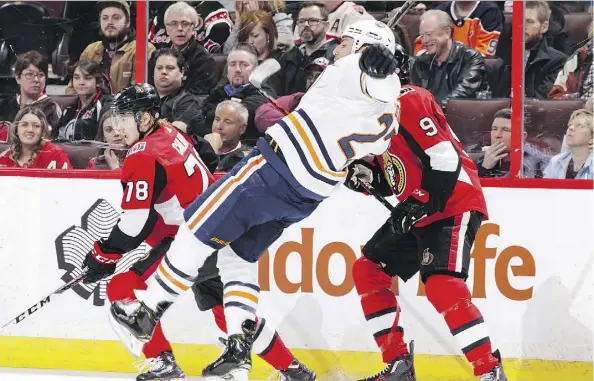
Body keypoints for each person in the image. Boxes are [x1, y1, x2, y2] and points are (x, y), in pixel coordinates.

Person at [108, 19, 402, 380]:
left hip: (276, 169)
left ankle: (149, 309)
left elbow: (378, 81)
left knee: (195, 227)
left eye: (345, 41)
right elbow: (374, 106)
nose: (337, 46)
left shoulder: (358, 67)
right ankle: (237, 347)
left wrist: (377, 64)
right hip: (310, 192)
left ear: (362, 46)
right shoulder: (388, 112)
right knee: (237, 257)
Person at [83, 84, 317, 381]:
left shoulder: (142, 155)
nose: (118, 128)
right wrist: (111, 252)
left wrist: (104, 254)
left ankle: (162, 364)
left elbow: (135, 222)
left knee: (123, 287)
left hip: (192, 241)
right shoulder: (170, 133)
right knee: (229, 314)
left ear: (143, 119)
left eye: (125, 118)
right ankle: (294, 371)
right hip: (219, 231)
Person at [345, 45, 508, 381]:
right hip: (420, 208)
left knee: (441, 284)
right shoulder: (375, 115)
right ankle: (399, 366)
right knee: (368, 270)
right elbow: (395, 178)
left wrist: (419, 201)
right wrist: (366, 176)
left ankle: (489, 371)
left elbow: (444, 159)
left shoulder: (409, 99)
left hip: (452, 200)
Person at [0, 107, 71, 169]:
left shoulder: (55, 154)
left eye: (36, 126)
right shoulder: (4, 158)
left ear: (42, 131)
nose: (30, 130)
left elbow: (68, 183)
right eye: (24, 125)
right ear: (16, 130)